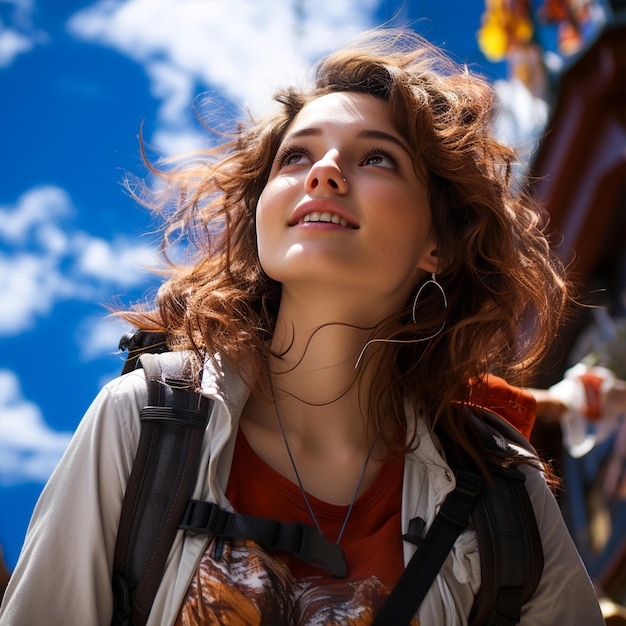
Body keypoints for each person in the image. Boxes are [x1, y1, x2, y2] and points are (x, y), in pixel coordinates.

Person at [0, 29, 604, 625]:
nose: (325, 173)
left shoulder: (505, 489)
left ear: (438, 244)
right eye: (296, 156)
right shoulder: (143, 421)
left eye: (377, 158)